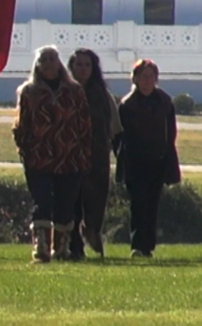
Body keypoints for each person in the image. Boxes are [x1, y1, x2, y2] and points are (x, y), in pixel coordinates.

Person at [12, 45, 92, 263]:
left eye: (52, 59)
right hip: (39, 158)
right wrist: (26, 150)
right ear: (38, 65)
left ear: (59, 64)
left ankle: (62, 247)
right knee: (42, 203)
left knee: (66, 205)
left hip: (70, 158)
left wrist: (84, 152)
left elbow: (84, 124)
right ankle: (41, 247)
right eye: (44, 59)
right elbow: (21, 126)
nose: (48, 63)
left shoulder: (74, 91)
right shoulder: (28, 92)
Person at [116, 58, 181, 259]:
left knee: (152, 204)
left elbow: (170, 132)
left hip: (157, 160)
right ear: (135, 79)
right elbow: (119, 135)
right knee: (138, 203)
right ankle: (137, 245)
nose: (147, 81)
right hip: (134, 161)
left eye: (151, 77)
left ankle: (148, 246)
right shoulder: (127, 105)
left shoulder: (164, 102)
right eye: (144, 76)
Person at [67, 48, 122, 260]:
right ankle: (74, 246)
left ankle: (92, 233)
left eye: (87, 65)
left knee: (95, 201)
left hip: (97, 157)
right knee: (72, 203)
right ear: (71, 67)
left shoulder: (101, 94)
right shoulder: (65, 91)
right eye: (79, 64)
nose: (83, 69)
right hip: (69, 155)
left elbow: (114, 127)